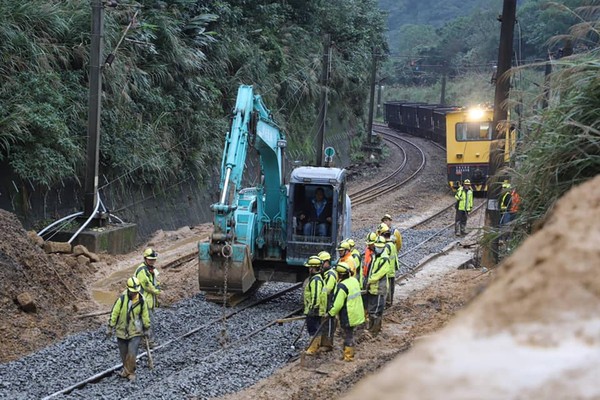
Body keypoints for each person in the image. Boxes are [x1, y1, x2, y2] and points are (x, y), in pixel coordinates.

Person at [106, 277, 151, 382]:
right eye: (133, 292)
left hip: (135, 331)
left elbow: (145, 315)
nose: (135, 294)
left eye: (136, 292)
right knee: (124, 353)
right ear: (128, 290)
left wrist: (147, 327)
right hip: (121, 331)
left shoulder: (141, 300)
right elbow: (115, 313)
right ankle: (126, 370)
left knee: (132, 352)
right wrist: (110, 326)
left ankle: (131, 372)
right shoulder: (121, 300)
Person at [327, 262, 365, 362]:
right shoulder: (353, 280)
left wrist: (330, 313)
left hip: (348, 315)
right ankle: (348, 353)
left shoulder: (342, 286)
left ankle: (348, 357)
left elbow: (338, 304)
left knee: (348, 335)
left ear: (340, 274)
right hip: (357, 313)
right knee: (350, 333)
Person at [134, 248, 162, 346]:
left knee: (144, 321)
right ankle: (149, 342)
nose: (152, 261)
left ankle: (142, 340)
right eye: (150, 259)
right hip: (144, 301)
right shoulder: (142, 270)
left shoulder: (151, 269)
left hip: (148, 301)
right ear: (145, 259)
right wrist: (157, 291)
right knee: (149, 321)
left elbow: (155, 282)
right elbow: (147, 286)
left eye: (153, 259)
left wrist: (158, 287)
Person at [365, 236, 389, 336]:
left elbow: (379, 274)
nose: (378, 248)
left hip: (379, 288)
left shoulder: (384, 258)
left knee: (377, 310)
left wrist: (369, 280)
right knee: (372, 309)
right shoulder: (376, 255)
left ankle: (375, 331)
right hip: (373, 287)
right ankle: (371, 328)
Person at [303, 256, 325, 355]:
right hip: (314, 308)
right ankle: (316, 346)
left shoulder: (315, 280)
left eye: (309, 267)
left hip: (314, 309)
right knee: (315, 328)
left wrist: (313, 307)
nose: (308, 269)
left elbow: (316, 295)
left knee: (313, 328)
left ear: (312, 268)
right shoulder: (317, 278)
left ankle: (313, 348)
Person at [318, 251, 337, 352]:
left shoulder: (330, 274)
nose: (320, 265)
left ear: (327, 262)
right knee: (324, 323)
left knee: (329, 322)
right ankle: (323, 342)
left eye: (322, 263)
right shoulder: (325, 273)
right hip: (326, 302)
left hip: (330, 301)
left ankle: (328, 344)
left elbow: (328, 290)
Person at [378, 223, 398, 307]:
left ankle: (387, 303)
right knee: (391, 288)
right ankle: (390, 302)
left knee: (387, 288)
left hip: (388, 270)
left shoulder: (386, 246)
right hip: (392, 269)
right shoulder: (392, 244)